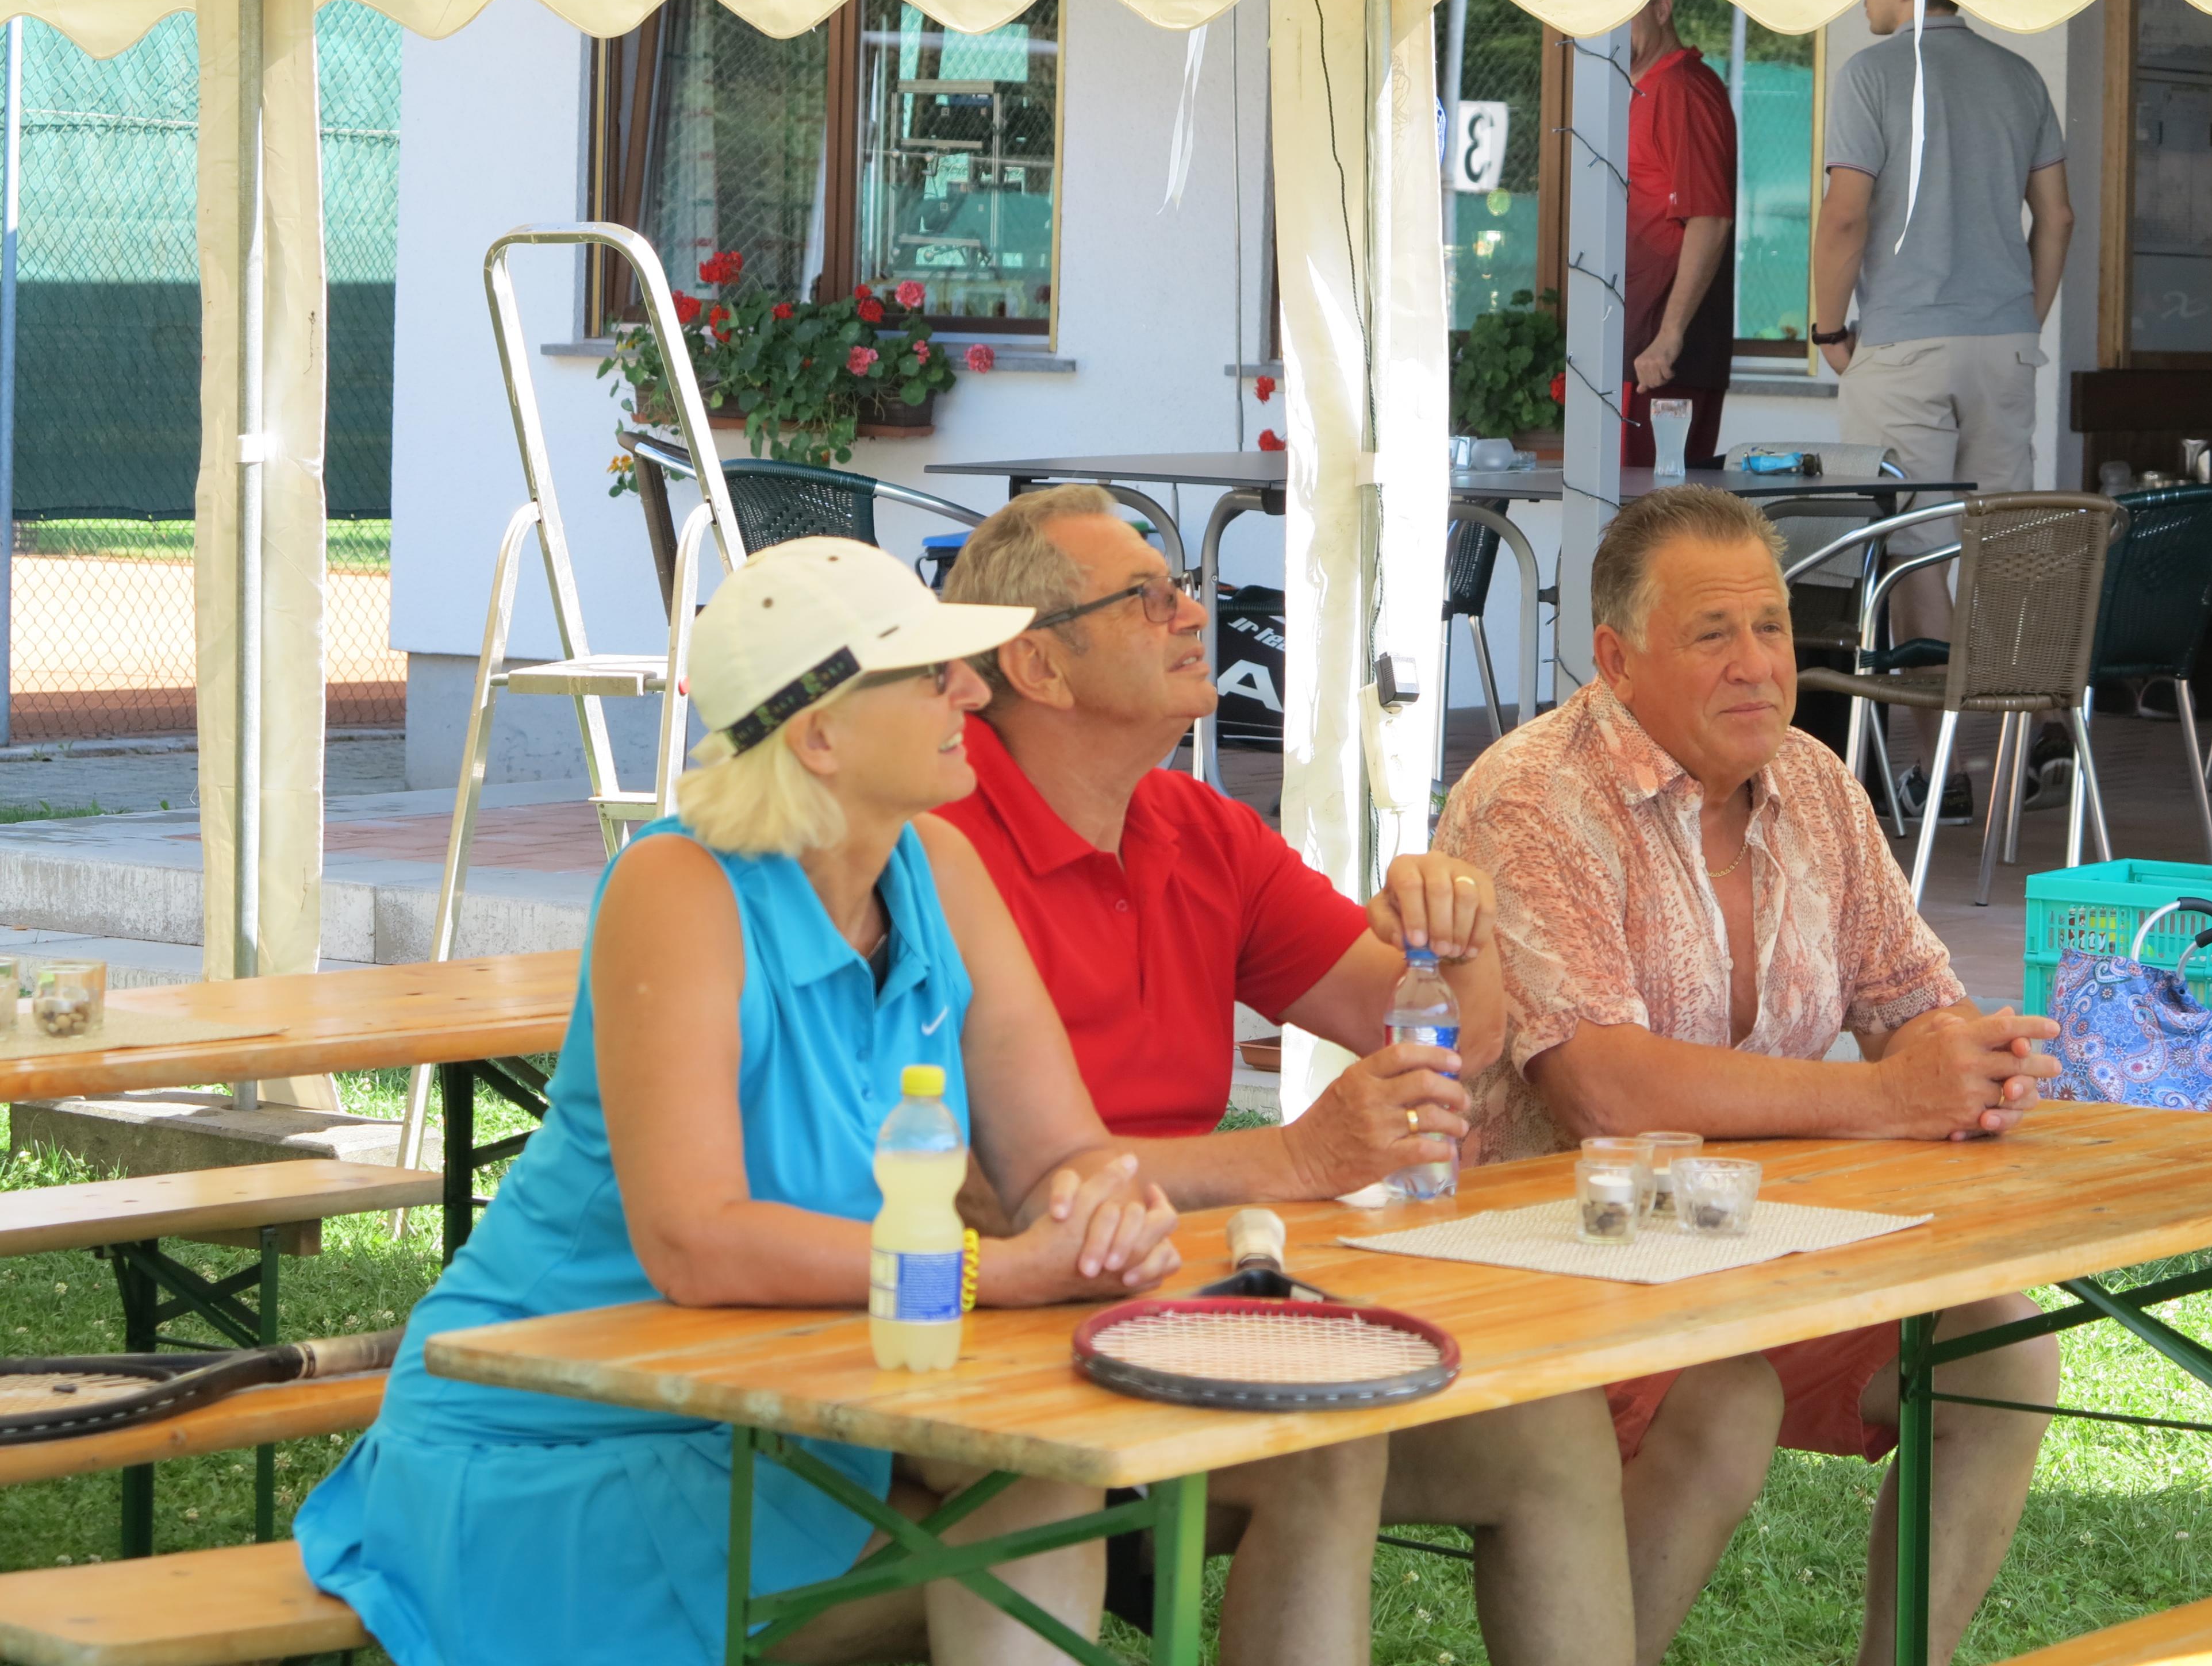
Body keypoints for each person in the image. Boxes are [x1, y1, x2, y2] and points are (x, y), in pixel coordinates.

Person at [296, 538, 1192, 1666]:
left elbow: (1058, 1149)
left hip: (789, 1400)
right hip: (557, 1444)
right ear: (818, 736)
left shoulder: (939, 866)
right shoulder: (675, 885)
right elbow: (695, 1242)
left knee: (1037, 1476)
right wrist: (995, 1273)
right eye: (931, 673)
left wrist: (1100, 1210)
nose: (973, 691)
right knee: (1024, 1510)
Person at [938, 485, 1638, 1666]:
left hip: (1185, 1309)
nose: (1195, 612)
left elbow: (1446, 1042)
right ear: (1038, 667)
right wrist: (1293, 1158)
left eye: (1181, 586)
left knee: (1549, 1434)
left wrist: (1455, 937)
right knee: (1324, 1438)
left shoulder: (1193, 826)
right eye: (1146, 597)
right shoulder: (933, 839)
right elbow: (975, 1182)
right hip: (990, 1333)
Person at [1433, 485, 2063, 1666]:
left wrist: (1969, 1059)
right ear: (1615, 659)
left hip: (1760, 1243)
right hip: (1557, 1262)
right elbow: (1602, 1092)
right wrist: (1887, 1097)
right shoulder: (1532, 797)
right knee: (1724, 1405)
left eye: (1771, 626)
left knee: (2000, 1352)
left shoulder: (1813, 783)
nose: (1756, 665)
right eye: (1711, 633)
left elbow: (1912, 1004)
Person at [1811, 0, 2074, 828]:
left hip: (1903, 347)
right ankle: (2023, 746)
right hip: (2005, 344)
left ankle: (1944, 773)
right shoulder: (2018, 75)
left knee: (1916, 552)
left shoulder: (1871, 73)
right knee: (2007, 548)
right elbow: (2057, 217)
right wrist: (2022, 319)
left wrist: (1827, 330)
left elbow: (1844, 217)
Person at [1625, 0, 1737, 471]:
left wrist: (1669, 335)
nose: (1610, 32)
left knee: (1652, 512)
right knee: (1624, 512)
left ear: (1662, 8)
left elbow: (1709, 218)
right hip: (1637, 353)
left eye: (1624, 15)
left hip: (1662, 363)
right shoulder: (1641, 90)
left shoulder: (1682, 88)